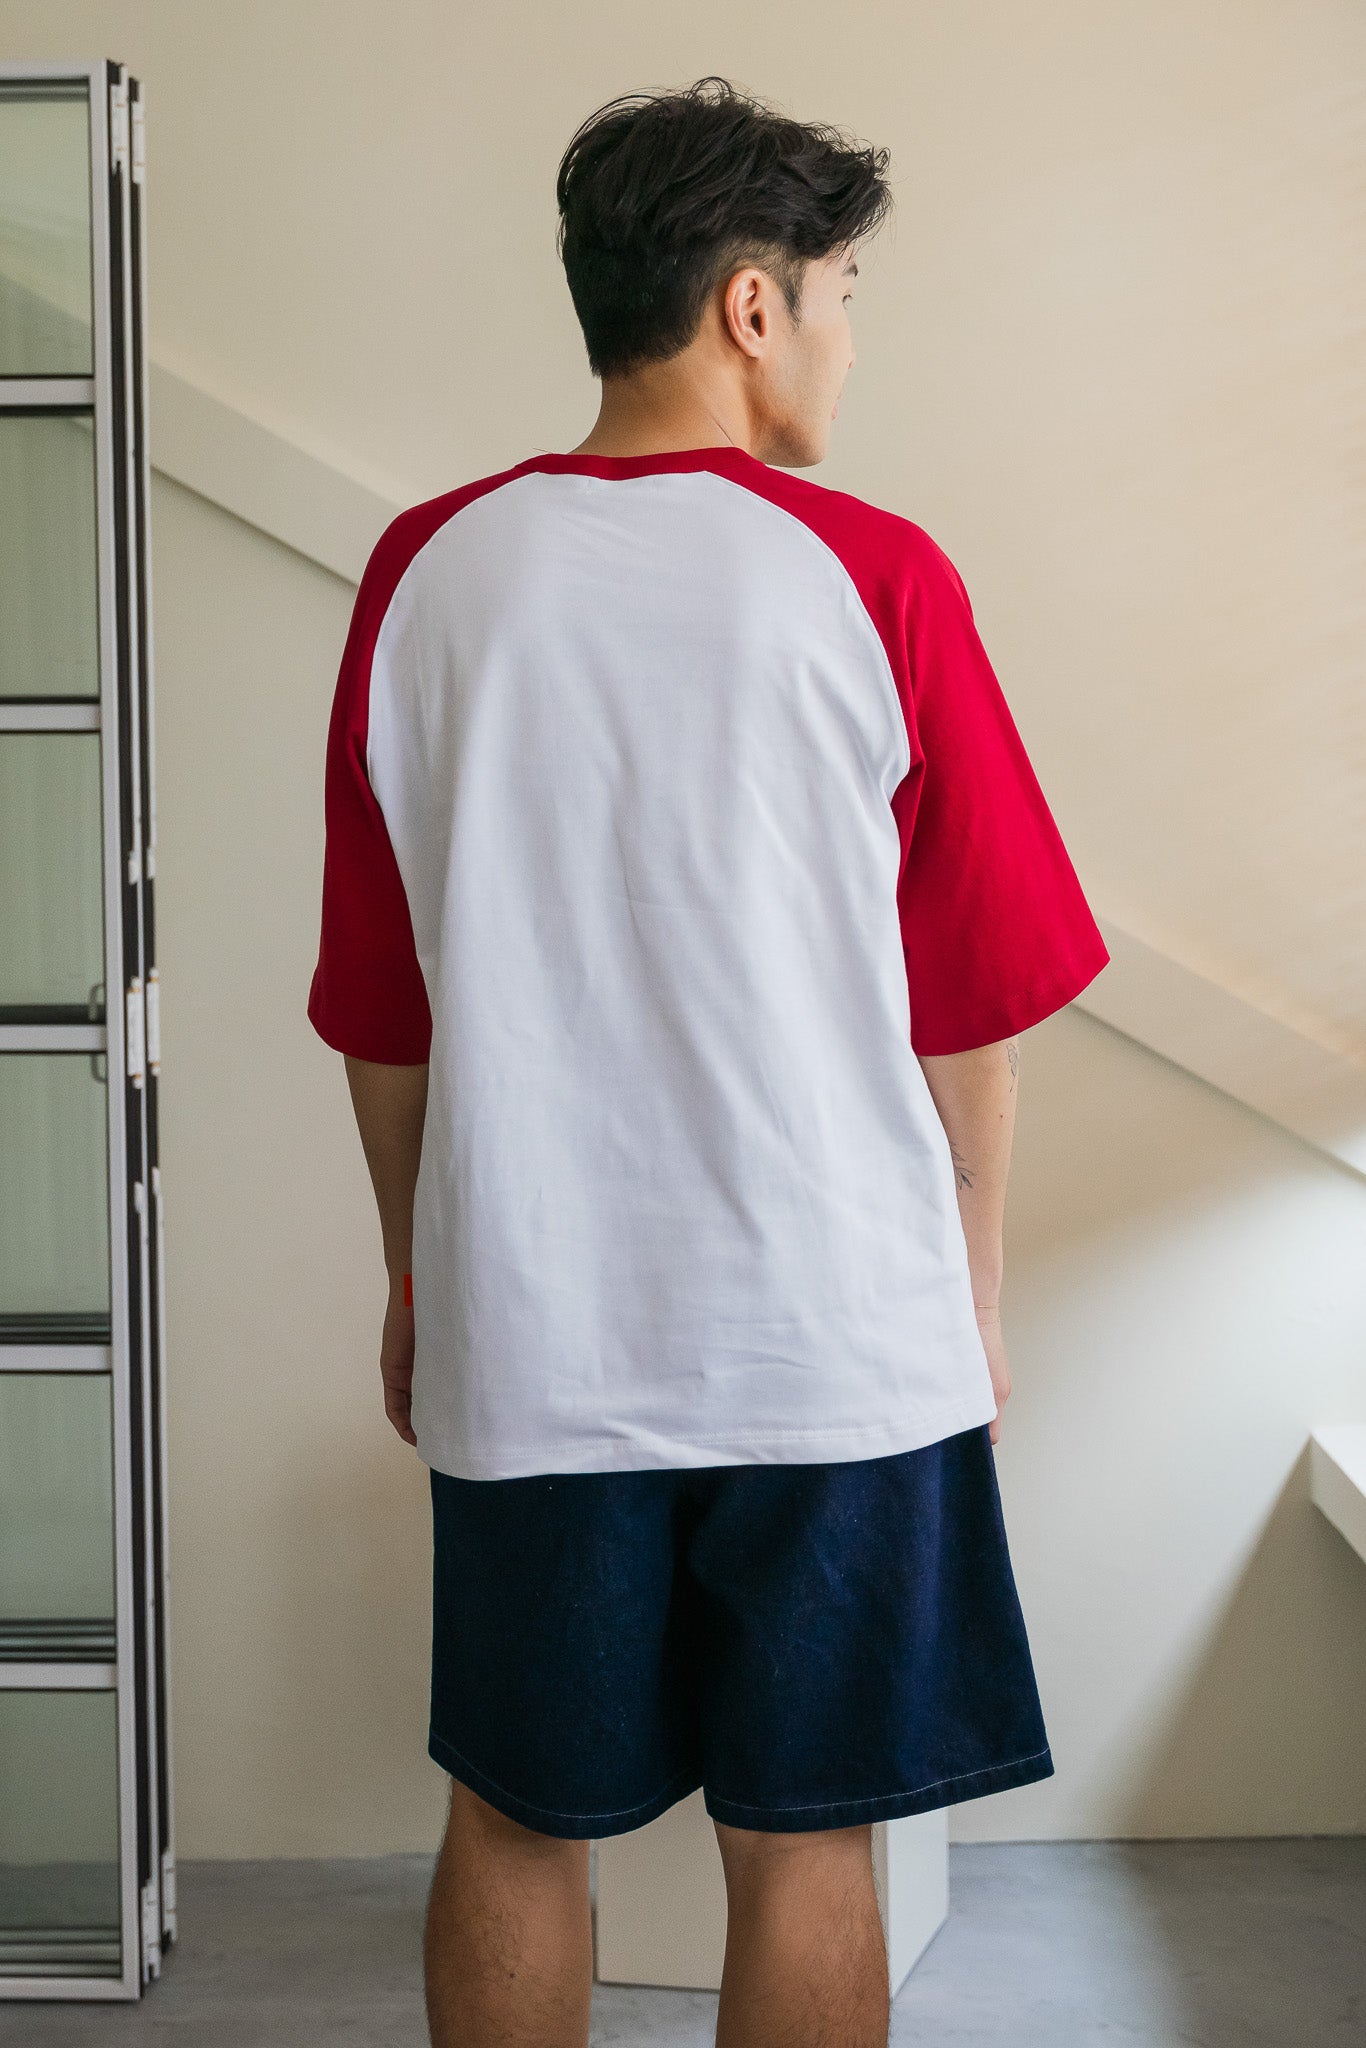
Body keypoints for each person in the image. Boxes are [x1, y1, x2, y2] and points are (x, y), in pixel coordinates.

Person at [307, 73, 1109, 2048]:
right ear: (749, 308)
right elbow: (968, 1013)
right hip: (830, 1327)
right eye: (839, 291)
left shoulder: (426, 576)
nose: (845, 337)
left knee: (510, 1812)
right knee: (805, 1837)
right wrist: (969, 1290)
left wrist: (420, 1271)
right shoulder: (871, 573)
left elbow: (382, 1006)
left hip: (536, 1320)